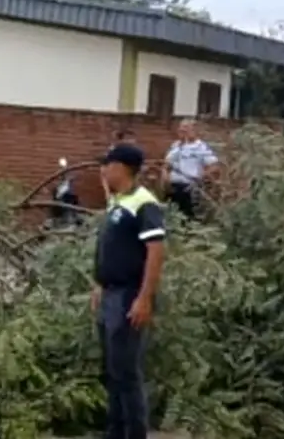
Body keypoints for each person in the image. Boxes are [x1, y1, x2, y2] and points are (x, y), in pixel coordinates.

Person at [92, 143, 166, 439]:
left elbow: (156, 250)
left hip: (128, 296)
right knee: (112, 370)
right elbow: (109, 248)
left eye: (107, 165)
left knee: (127, 372)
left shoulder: (144, 203)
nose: (103, 170)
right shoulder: (117, 201)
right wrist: (98, 283)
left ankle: (134, 433)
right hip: (110, 294)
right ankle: (114, 431)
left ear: (121, 167)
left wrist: (144, 298)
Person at [162, 119, 218, 218]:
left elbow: (213, 167)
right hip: (172, 187)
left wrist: (201, 179)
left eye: (186, 128)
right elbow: (167, 164)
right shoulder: (175, 146)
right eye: (181, 128)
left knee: (187, 217)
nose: (182, 131)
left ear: (194, 130)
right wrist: (165, 178)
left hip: (188, 187)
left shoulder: (201, 147)